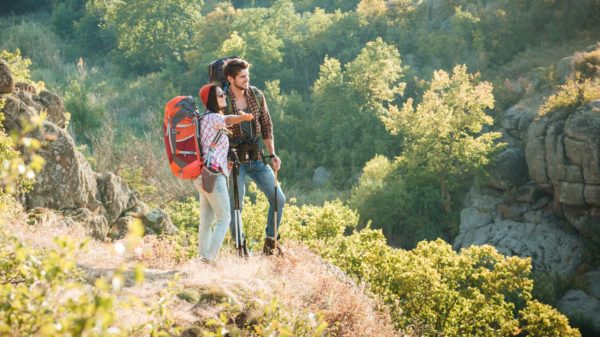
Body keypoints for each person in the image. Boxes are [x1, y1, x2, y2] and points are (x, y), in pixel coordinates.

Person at [223, 58, 285, 256]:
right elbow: (218, 130)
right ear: (230, 78)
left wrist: (272, 153)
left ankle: (271, 242)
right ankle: (241, 250)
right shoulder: (222, 100)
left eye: (247, 76)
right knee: (236, 206)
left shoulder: (256, 95)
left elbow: (266, 124)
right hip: (235, 160)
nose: (246, 80)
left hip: (257, 157)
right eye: (242, 77)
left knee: (279, 198)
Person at [194, 83, 253, 263]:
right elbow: (227, 120)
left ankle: (202, 257)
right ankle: (209, 259)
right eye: (220, 95)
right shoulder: (213, 118)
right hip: (213, 174)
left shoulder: (203, 119)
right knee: (225, 217)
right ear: (212, 99)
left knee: (206, 219)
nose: (223, 97)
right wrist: (242, 118)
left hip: (202, 174)